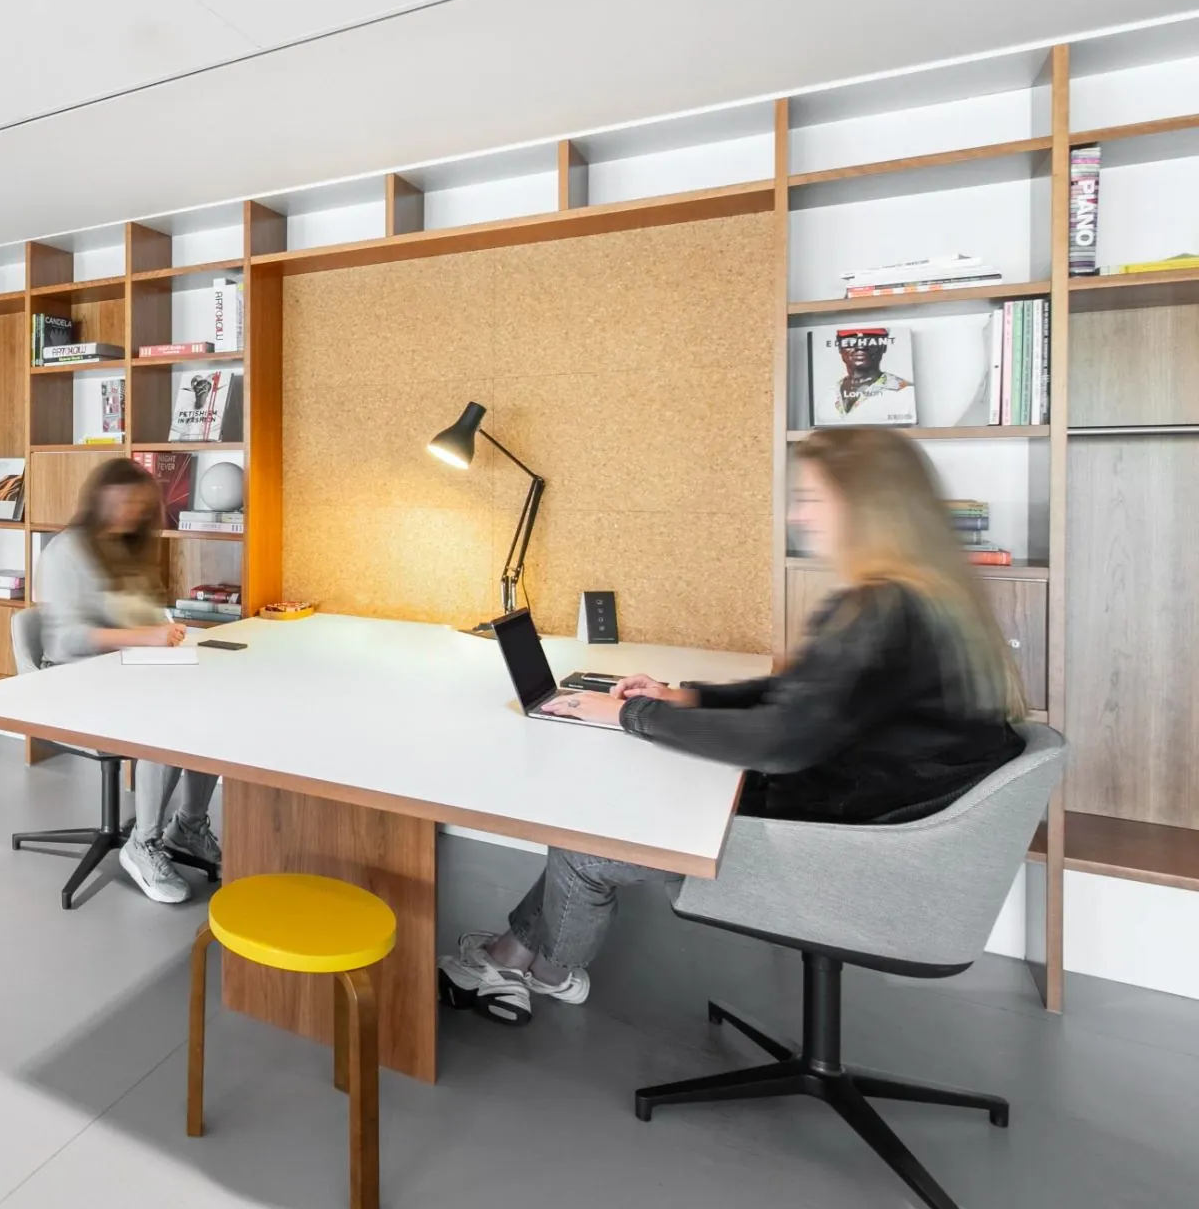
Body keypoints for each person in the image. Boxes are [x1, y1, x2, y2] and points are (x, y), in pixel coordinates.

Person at [440, 427, 1027, 1025]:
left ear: (867, 508)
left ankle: (549, 973)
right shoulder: (929, 597)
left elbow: (781, 740)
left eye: (813, 499)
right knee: (640, 792)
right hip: (890, 827)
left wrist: (629, 714)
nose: (798, 515)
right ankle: (508, 954)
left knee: (585, 842)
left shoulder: (878, 609)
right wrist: (687, 697)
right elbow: (806, 693)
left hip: (845, 850)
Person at [37, 457, 219, 904]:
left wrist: (166, 631)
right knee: (164, 718)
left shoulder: (126, 548)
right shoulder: (65, 551)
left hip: (124, 671)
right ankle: (144, 842)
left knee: (212, 703)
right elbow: (63, 641)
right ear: (99, 499)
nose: (130, 513)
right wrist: (143, 637)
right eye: (123, 502)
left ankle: (189, 826)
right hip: (70, 680)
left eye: (139, 506)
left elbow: (145, 617)